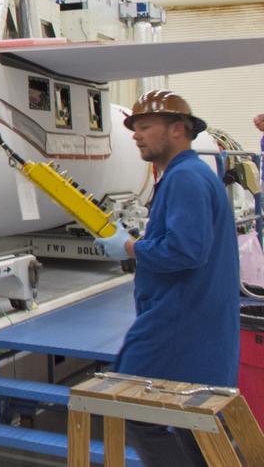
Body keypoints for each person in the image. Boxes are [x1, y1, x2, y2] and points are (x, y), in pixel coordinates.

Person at [95, 90, 239, 467]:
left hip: (178, 323)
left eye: (144, 127)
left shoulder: (185, 179)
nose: (136, 135)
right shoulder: (188, 175)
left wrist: (129, 247)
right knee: (193, 427)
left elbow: (186, 251)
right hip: (193, 321)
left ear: (177, 130)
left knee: (134, 407)